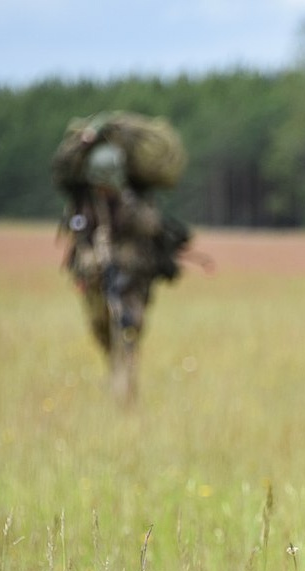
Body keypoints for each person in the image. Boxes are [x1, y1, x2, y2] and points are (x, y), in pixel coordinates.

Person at [55, 116, 191, 404]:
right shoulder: (85, 202)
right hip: (94, 276)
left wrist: (126, 207)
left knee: (127, 333)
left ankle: (124, 399)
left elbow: (152, 227)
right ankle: (119, 382)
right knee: (101, 330)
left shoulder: (133, 202)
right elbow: (78, 236)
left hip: (131, 278)